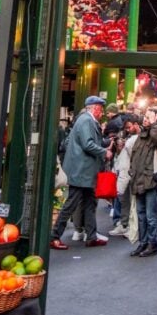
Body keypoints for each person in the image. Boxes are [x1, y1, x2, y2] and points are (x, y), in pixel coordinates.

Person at [50, 96, 112, 250]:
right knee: (71, 204)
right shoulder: (86, 121)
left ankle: (91, 236)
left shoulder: (84, 120)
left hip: (84, 171)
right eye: (100, 108)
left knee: (89, 202)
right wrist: (104, 152)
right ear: (94, 108)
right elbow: (88, 144)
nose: (102, 112)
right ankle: (54, 236)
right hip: (81, 171)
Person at [128, 105, 157, 257]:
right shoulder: (141, 135)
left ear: (156, 118)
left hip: (150, 179)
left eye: (149, 116)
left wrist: (154, 124)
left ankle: (152, 243)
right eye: (145, 116)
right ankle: (143, 243)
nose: (146, 119)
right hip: (138, 178)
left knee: (150, 215)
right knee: (141, 214)